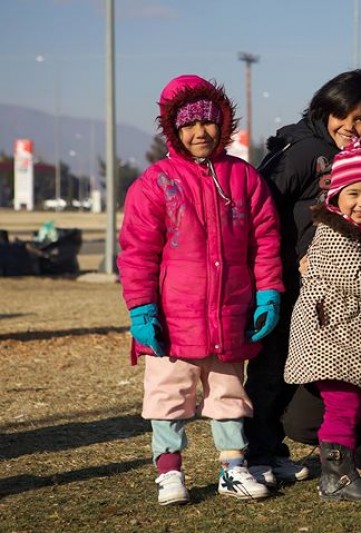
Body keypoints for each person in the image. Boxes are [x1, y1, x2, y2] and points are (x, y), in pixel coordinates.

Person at [118, 74, 283, 505]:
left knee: (229, 394)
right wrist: (142, 308)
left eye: (208, 121)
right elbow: (137, 253)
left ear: (222, 123)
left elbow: (265, 242)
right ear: (173, 129)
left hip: (230, 315)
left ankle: (233, 467)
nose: (200, 132)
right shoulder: (156, 182)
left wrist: (269, 292)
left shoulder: (244, 179)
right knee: (168, 397)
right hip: (174, 320)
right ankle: (169, 471)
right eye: (188, 124)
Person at [244, 69, 361, 486]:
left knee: (288, 370)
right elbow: (261, 208)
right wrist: (284, 262)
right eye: (343, 116)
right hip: (281, 279)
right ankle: (256, 454)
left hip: (309, 285)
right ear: (324, 110)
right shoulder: (306, 150)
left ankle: (272, 450)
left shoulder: (338, 151)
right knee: (269, 372)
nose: (351, 127)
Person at [284, 142, 361, 502]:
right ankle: (337, 478)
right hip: (333, 339)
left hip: (345, 337)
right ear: (336, 195)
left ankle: (338, 473)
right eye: (353, 193)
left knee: (345, 406)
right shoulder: (335, 230)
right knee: (342, 406)